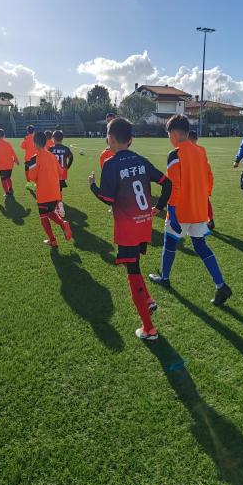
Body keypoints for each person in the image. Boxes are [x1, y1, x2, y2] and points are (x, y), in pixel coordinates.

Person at [90, 117, 172, 341]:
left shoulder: (110, 163)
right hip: (144, 222)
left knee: (132, 272)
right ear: (131, 139)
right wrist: (159, 207)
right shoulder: (141, 160)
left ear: (110, 138)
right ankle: (148, 299)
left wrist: (93, 187)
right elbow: (167, 183)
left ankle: (149, 329)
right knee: (134, 262)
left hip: (127, 227)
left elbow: (107, 199)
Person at [148, 115, 232, 307]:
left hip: (181, 210)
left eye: (168, 134)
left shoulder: (175, 154)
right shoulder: (201, 151)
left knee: (170, 243)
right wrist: (201, 197)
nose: (169, 138)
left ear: (174, 133)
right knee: (201, 246)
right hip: (199, 210)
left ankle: (165, 278)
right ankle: (221, 285)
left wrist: (172, 209)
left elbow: (174, 185)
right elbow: (210, 179)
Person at [27, 131, 72, 247]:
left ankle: (53, 240)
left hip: (43, 192)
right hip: (55, 191)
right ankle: (63, 223)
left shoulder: (34, 158)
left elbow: (31, 177)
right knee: (51, 212)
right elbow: (60, 172)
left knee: (43, 217)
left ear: (35, 143)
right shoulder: (52, 156)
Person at [188, 129, 215, 230]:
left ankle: (194, 220)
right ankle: (210, 219)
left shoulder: (186, 150)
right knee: (205, 201)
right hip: (203, 181)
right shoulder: (201, 149)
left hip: (193, 181)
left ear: (188, 139)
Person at [0, 128, 18, 196]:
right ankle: (11, 189)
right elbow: (13, 152)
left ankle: (7, 192)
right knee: (8, 178)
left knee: (3, 179)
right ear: (4, 135)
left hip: (2, 166)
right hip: (10, 165)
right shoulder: (8, 143)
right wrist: (16, 160)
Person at [20, 124, 37, 189]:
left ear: (27, 131)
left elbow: (22, 147)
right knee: (35, 171)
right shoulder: (36, 138)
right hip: (35, 158)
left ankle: (29, 183)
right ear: (34, 131)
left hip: (28, 158)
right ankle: (36, 184)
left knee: (27, 171)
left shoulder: (26, 138)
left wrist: (25, 140)